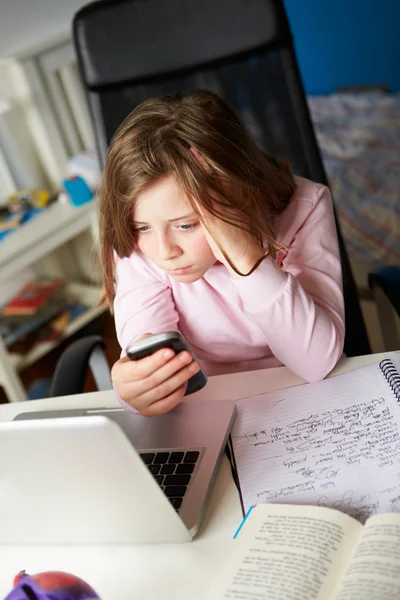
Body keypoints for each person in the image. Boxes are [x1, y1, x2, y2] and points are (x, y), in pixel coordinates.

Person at [100, 90, 344, 416]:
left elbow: (317, 363)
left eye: (186, 225)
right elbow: (146, 344)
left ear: (239, 193)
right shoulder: (137, 243)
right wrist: (138, 384)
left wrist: (243, 252)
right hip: (207, 407)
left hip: (304, 394)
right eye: (142, 227)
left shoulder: (305, 207)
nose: (163, 252)